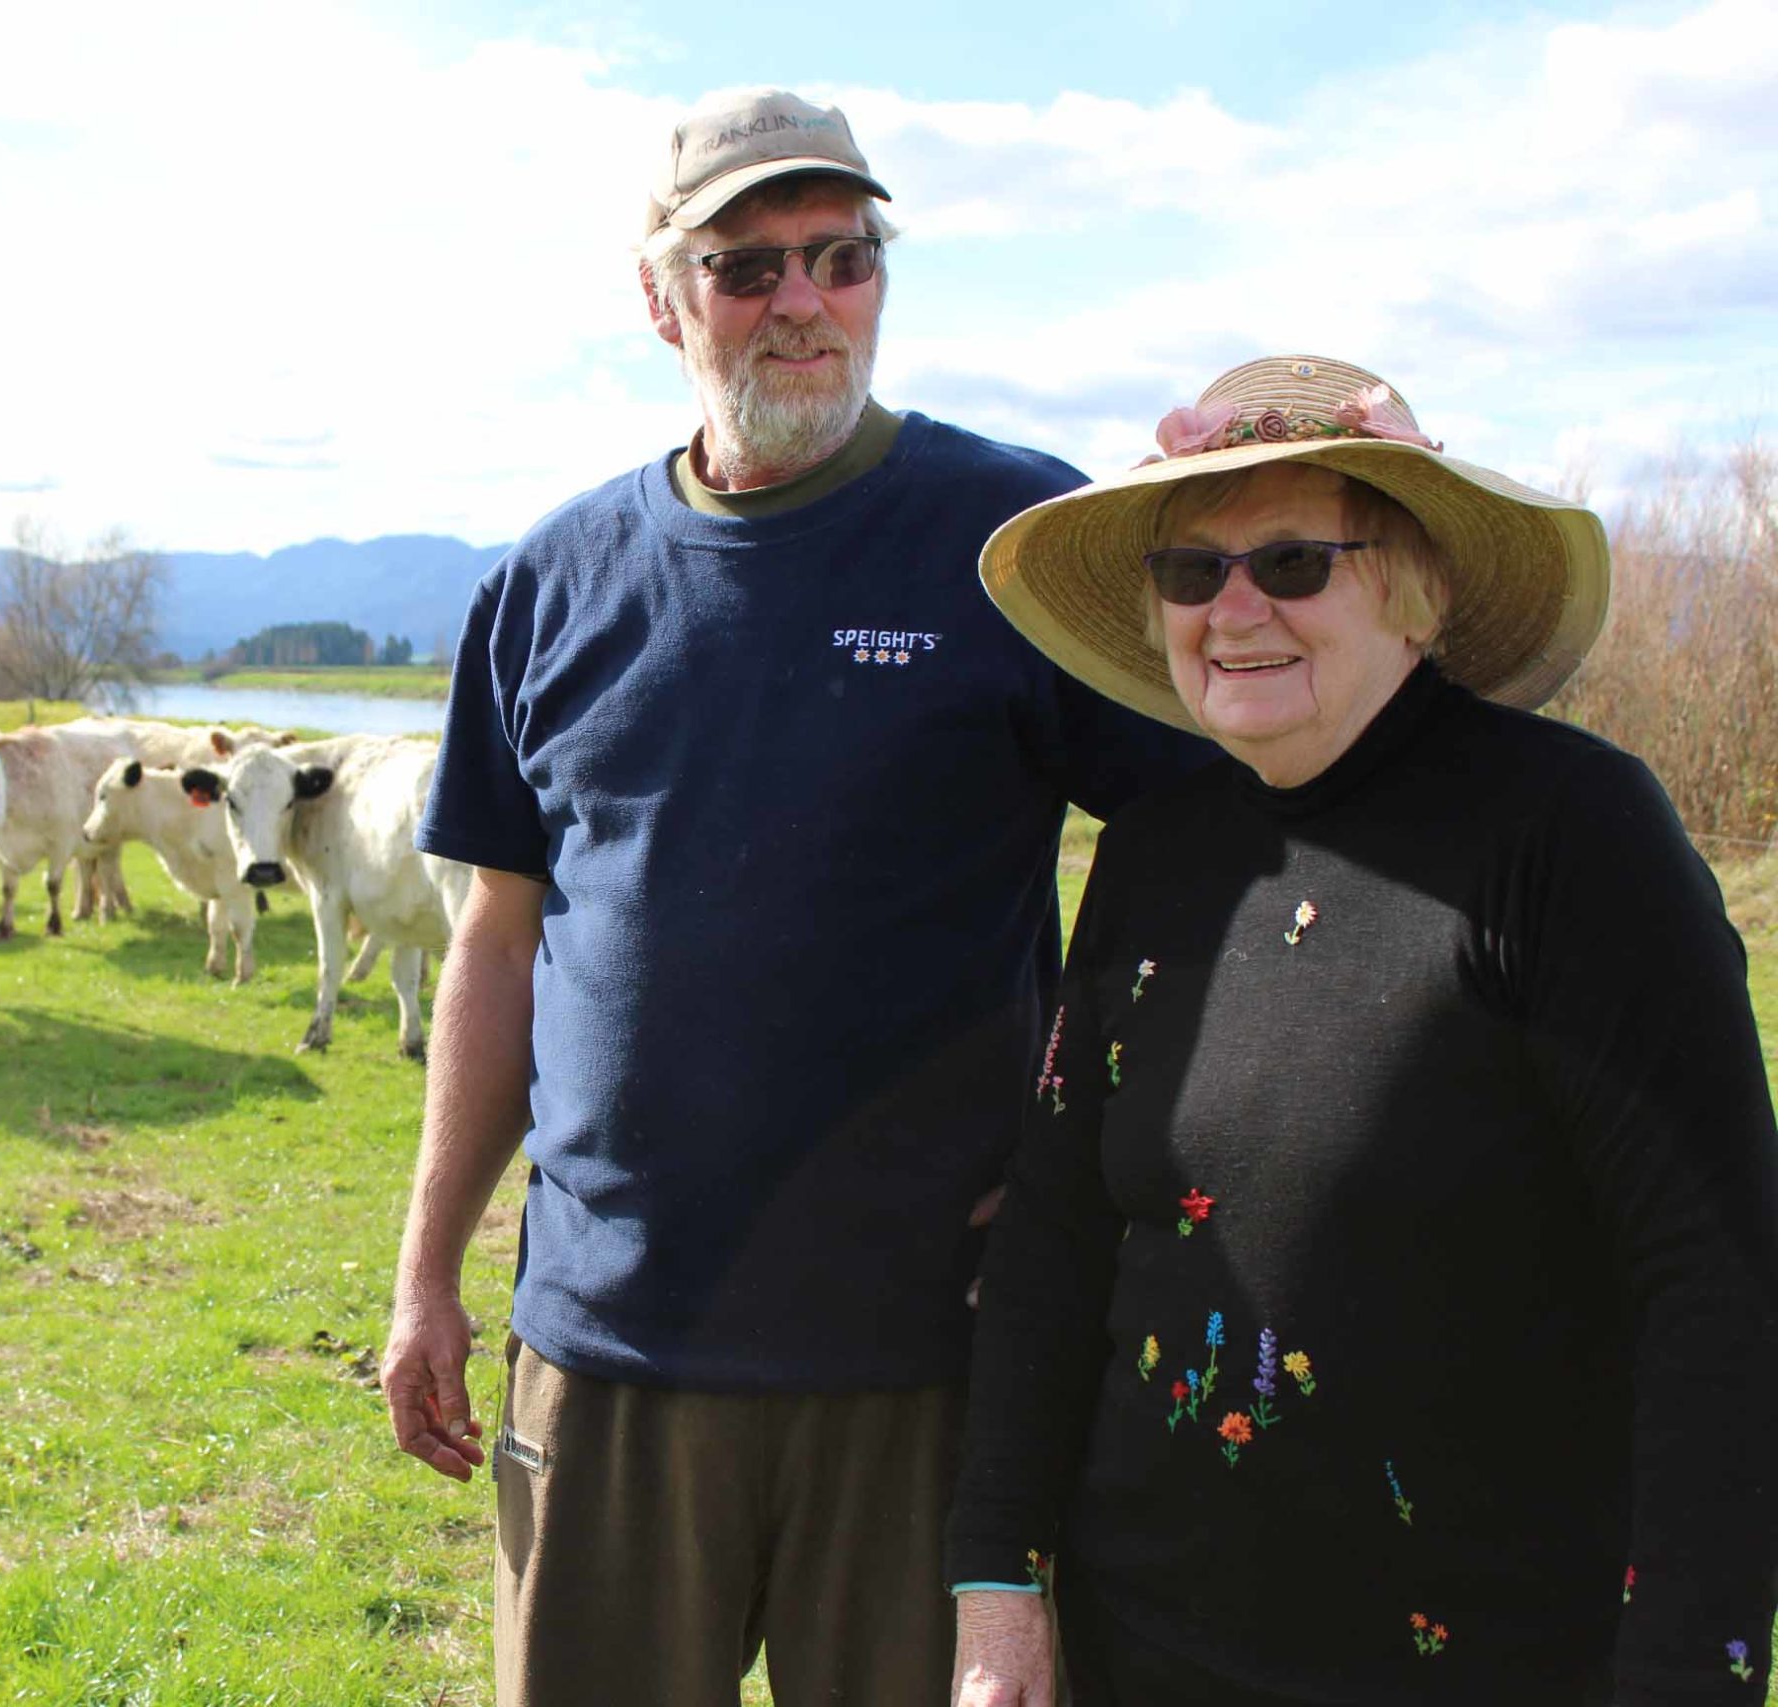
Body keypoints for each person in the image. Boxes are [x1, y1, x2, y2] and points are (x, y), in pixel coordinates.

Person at [378, 87, 1209, 1706]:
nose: (804, 303)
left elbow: (1202, 860)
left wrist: (1100, 1152)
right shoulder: (548, 585)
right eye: (747, 268)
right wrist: (426, 1276)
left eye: (842, 257)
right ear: (660, 298)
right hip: (607, 1362)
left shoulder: (1012, 541)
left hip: (925, 1368)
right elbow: (497, 941)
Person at [944, 353, 1778, 1705]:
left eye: (1291, 562)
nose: (1233, 610)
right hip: (1142, 1650)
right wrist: (997, 1587)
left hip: (1482, 1663)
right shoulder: (1154, 850)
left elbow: (1717, 1288)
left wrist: (1692, 1670)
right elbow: (1055, 1234)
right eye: (1189, 572)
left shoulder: (1572, 837)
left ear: (1411, 587)